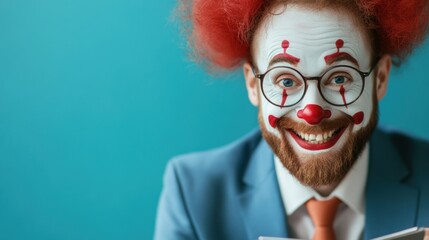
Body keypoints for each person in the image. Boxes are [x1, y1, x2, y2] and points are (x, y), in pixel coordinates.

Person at [155, 0, 429, 239]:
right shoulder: (192, 197)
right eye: (286, 80)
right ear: (252, 85)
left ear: (380, 79)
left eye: (340, 78)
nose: (312, 112)